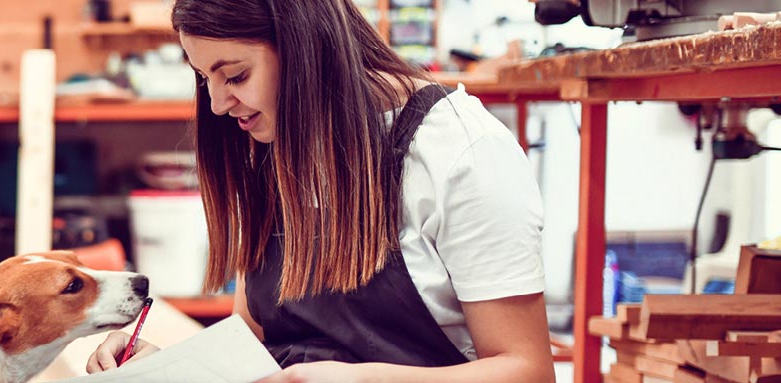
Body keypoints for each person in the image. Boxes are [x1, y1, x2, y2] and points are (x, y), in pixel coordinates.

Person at [86, 0, 554, 382]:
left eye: (236, 76)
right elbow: (253, 339)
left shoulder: (462, 152)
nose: (217, 103)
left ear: (305, 48)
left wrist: (366, 381)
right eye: (204, 78)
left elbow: (527, 371)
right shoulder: (269, 138)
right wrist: (169, 367)